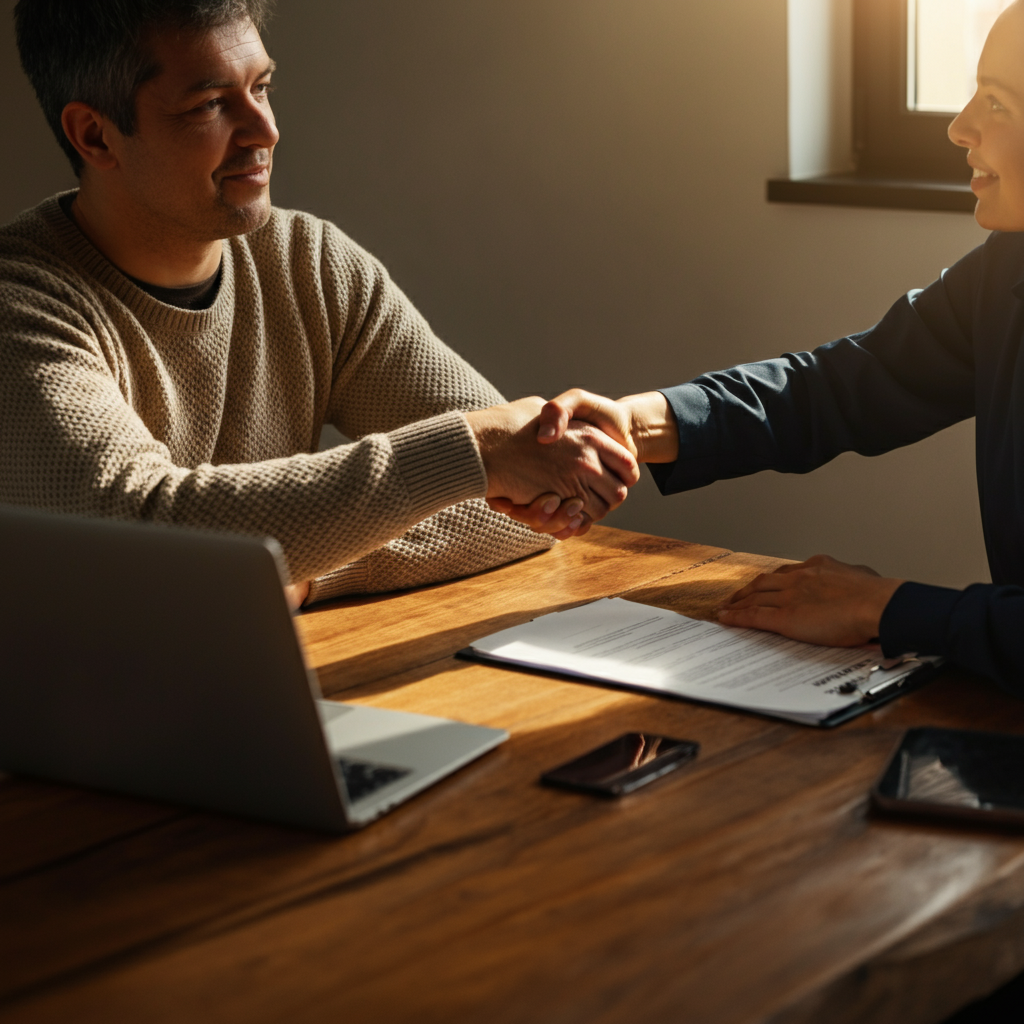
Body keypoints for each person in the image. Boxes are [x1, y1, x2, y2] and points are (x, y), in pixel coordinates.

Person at [0, 0, 638, 608]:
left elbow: (531, 506)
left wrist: (301, 574)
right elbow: (146, 540)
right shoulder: (20, 304)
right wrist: (473, 451)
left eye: (262, 88)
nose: (266, 131)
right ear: (96, 136)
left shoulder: (309, 263)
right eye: (211, 104)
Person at [496, 0, 1024, 691]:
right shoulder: (1004, 274)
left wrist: (884, 606)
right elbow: (841, 388)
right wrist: (636, 425)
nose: (959, 127)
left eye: (999, 104)